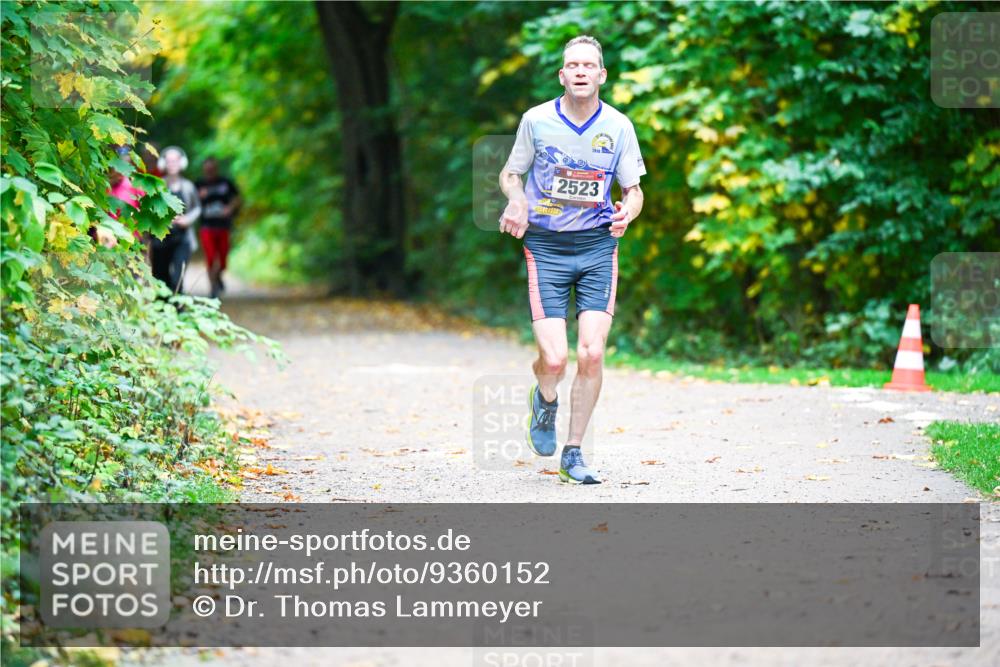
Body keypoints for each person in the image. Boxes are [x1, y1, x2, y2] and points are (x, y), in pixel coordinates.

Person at [498, 35, 646, 485]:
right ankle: (544, 399)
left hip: (599, 246)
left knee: (592, 352)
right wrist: (517, 201)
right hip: (546, 246)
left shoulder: (619, 126)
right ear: (562, 75)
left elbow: (634, 191)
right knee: (557, 360)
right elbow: (510, 174)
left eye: (589, 65)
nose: (580, 71)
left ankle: (574, 452)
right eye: (572, 65)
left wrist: (627, 213)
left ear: (601, 75)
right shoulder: (537, 121)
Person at [150, 146, 200, 294]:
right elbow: (148, 210)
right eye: (169, 161)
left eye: (175, 160)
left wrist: (187, 220)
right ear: (164, 163)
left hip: (182, 239)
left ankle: (179, 311)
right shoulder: (157, 186)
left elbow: (197, 208)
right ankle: (161, 313)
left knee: (178, 279)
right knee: (160, 278)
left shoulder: (188, 187)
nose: (172, 164)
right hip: (160, 240)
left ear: (182, 163)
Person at [195, 157, 241, 298]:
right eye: (207, 169)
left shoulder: (225, 183)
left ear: (216, 169)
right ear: (204, 170)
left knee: (222, 259)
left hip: (223, 226)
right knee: (210, 257)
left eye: (212, 169)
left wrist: (230, 208)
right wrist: (198, 197)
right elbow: (189, 201)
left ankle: (218, 277)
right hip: (206, 226)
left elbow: (237, 198)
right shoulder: (198, 184)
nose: (209, 172)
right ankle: (213, 288)